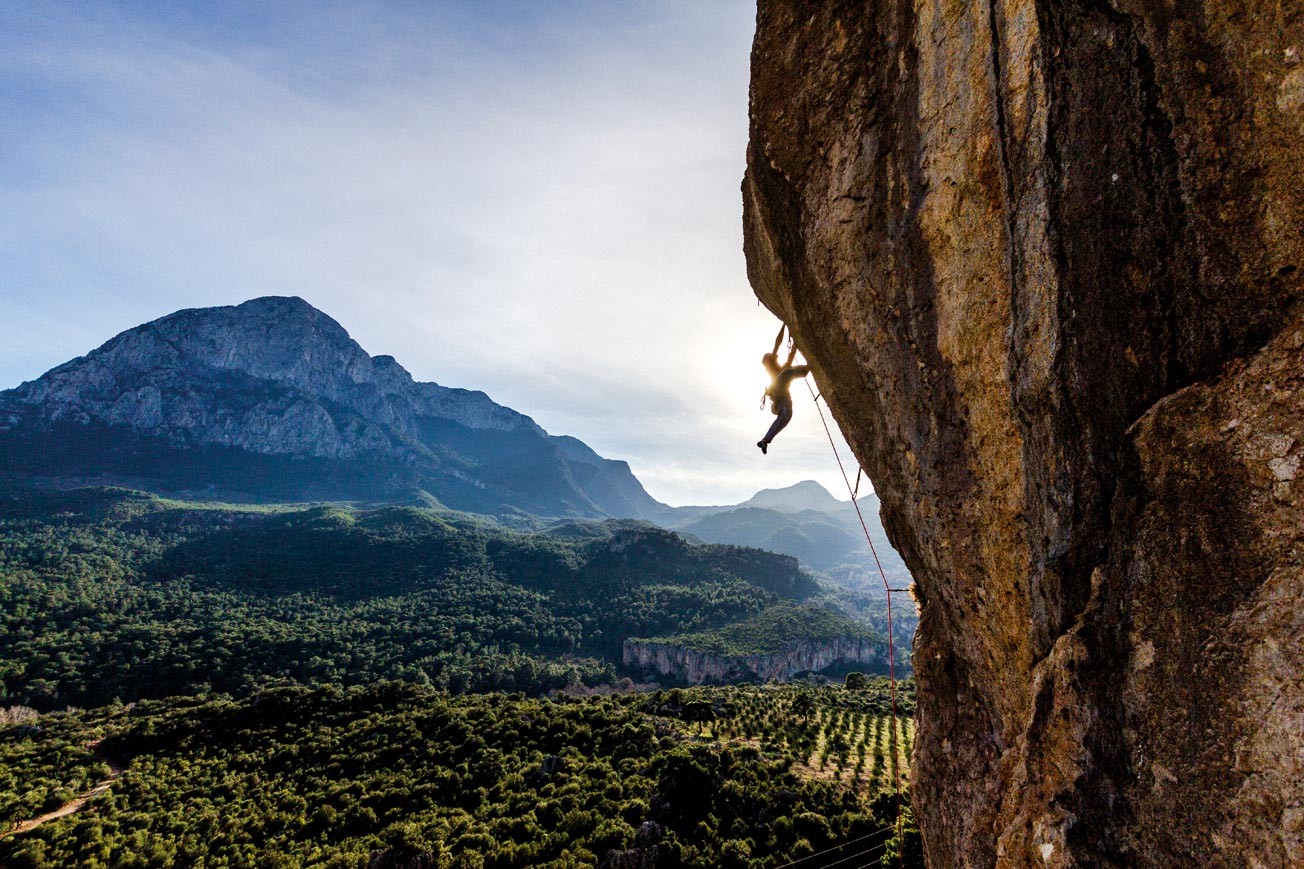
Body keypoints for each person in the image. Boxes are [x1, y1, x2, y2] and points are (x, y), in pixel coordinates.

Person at [757, 324, 810, 454]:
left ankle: (766, 440)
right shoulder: (771, 364)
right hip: (776, 393)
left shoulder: (783, 367)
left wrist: (796, 342)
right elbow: (777, 344)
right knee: (787, 372)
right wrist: (785, 325)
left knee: (787, 415)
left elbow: (791, 355)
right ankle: (806, 369)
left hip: (782, 400)